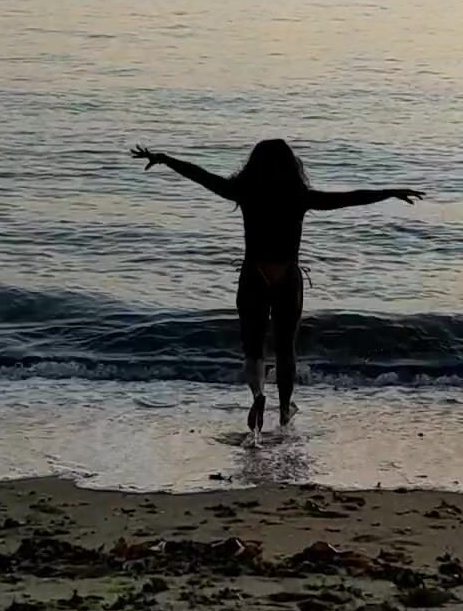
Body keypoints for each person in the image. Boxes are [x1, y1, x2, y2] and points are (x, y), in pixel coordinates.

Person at [132, 139, 422, 432]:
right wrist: (389, 192)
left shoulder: (243, 191)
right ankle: (284, 410)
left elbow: (202, 176)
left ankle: (258, 395)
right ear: (291, 166)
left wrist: (165, 159)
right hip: (287, 277)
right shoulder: (300, 196)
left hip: (253, 274)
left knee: (253, 348)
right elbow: (348, 198)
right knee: (285, 349)